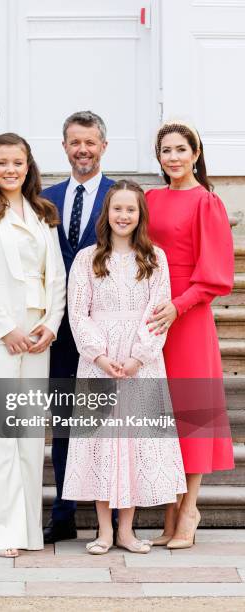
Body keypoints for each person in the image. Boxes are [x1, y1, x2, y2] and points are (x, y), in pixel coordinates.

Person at [62, 180, 187, 554]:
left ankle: (127, 531)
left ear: (140, 215)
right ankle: (102, 530)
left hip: (140, 361)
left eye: (131, 209)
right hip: (99, 361)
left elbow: (158, 312)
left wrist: (138, 356)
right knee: (102, 443)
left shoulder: (154, 258)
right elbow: (77, 312)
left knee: (132, 442)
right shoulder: (87, 258)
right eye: (117, 208)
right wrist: (98, 354)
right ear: (107, 213)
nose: (123, 216)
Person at [0, 133, 66, 557]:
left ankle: (26, 531)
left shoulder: (43, 214)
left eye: (17, 162)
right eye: (2, 162)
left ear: (28, 166)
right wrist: (7, 330)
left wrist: (51, 325)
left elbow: (55, 275)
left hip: (36, 338)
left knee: (25, 439)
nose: (10, 169)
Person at [146, 120, 235, 548]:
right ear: (159, 157)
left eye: (181, 149)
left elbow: (217, 274)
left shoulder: (207, 202)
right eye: (166, 150)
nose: (174, 157)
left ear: (196, 154)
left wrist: (177, 307)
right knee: (161, 412)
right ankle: (167, 509)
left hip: (189, 316)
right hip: (151, 313)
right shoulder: (149, 198)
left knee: (191, 413)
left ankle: (189, 509)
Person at [41, 111, 115, 544]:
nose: (82, 150)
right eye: (74, 142)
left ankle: (116, 512)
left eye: (90, 142)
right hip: (57, 329)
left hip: (106, 328)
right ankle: (63, 511)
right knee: (63, 420)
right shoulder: (45, 198)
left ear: (103, 146)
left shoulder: (121, 195)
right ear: (65, 146)